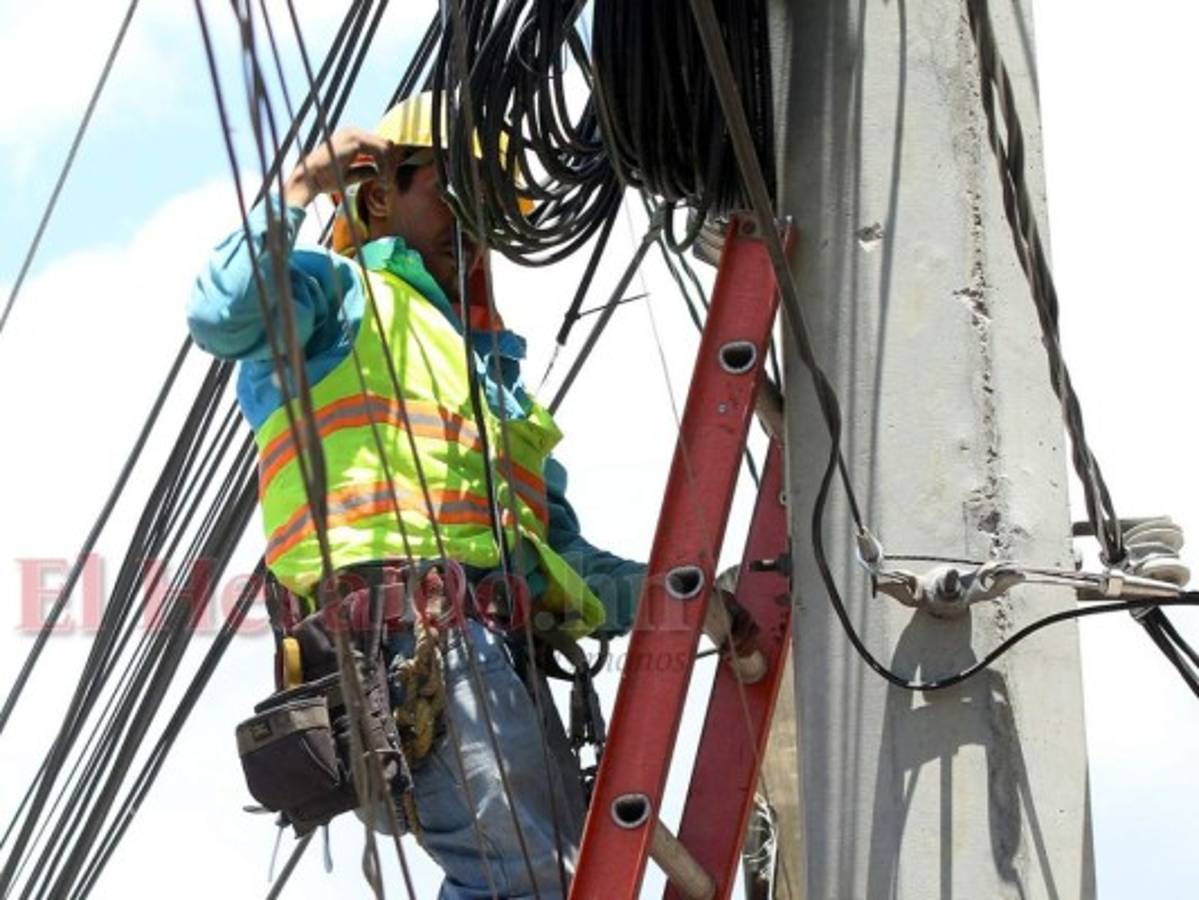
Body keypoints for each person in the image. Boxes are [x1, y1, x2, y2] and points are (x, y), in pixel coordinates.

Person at [187, 93, 645, 898]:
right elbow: (223, 314)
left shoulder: (494, 384)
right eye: (454, 186)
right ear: (376, 195)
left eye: (493, 201)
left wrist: (688, 591)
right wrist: (299, 187)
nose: (477, 220)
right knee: (523, 886)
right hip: (406, 647)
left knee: (572, 885)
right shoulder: (339, 297)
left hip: (494, 657)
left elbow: (560, 567)